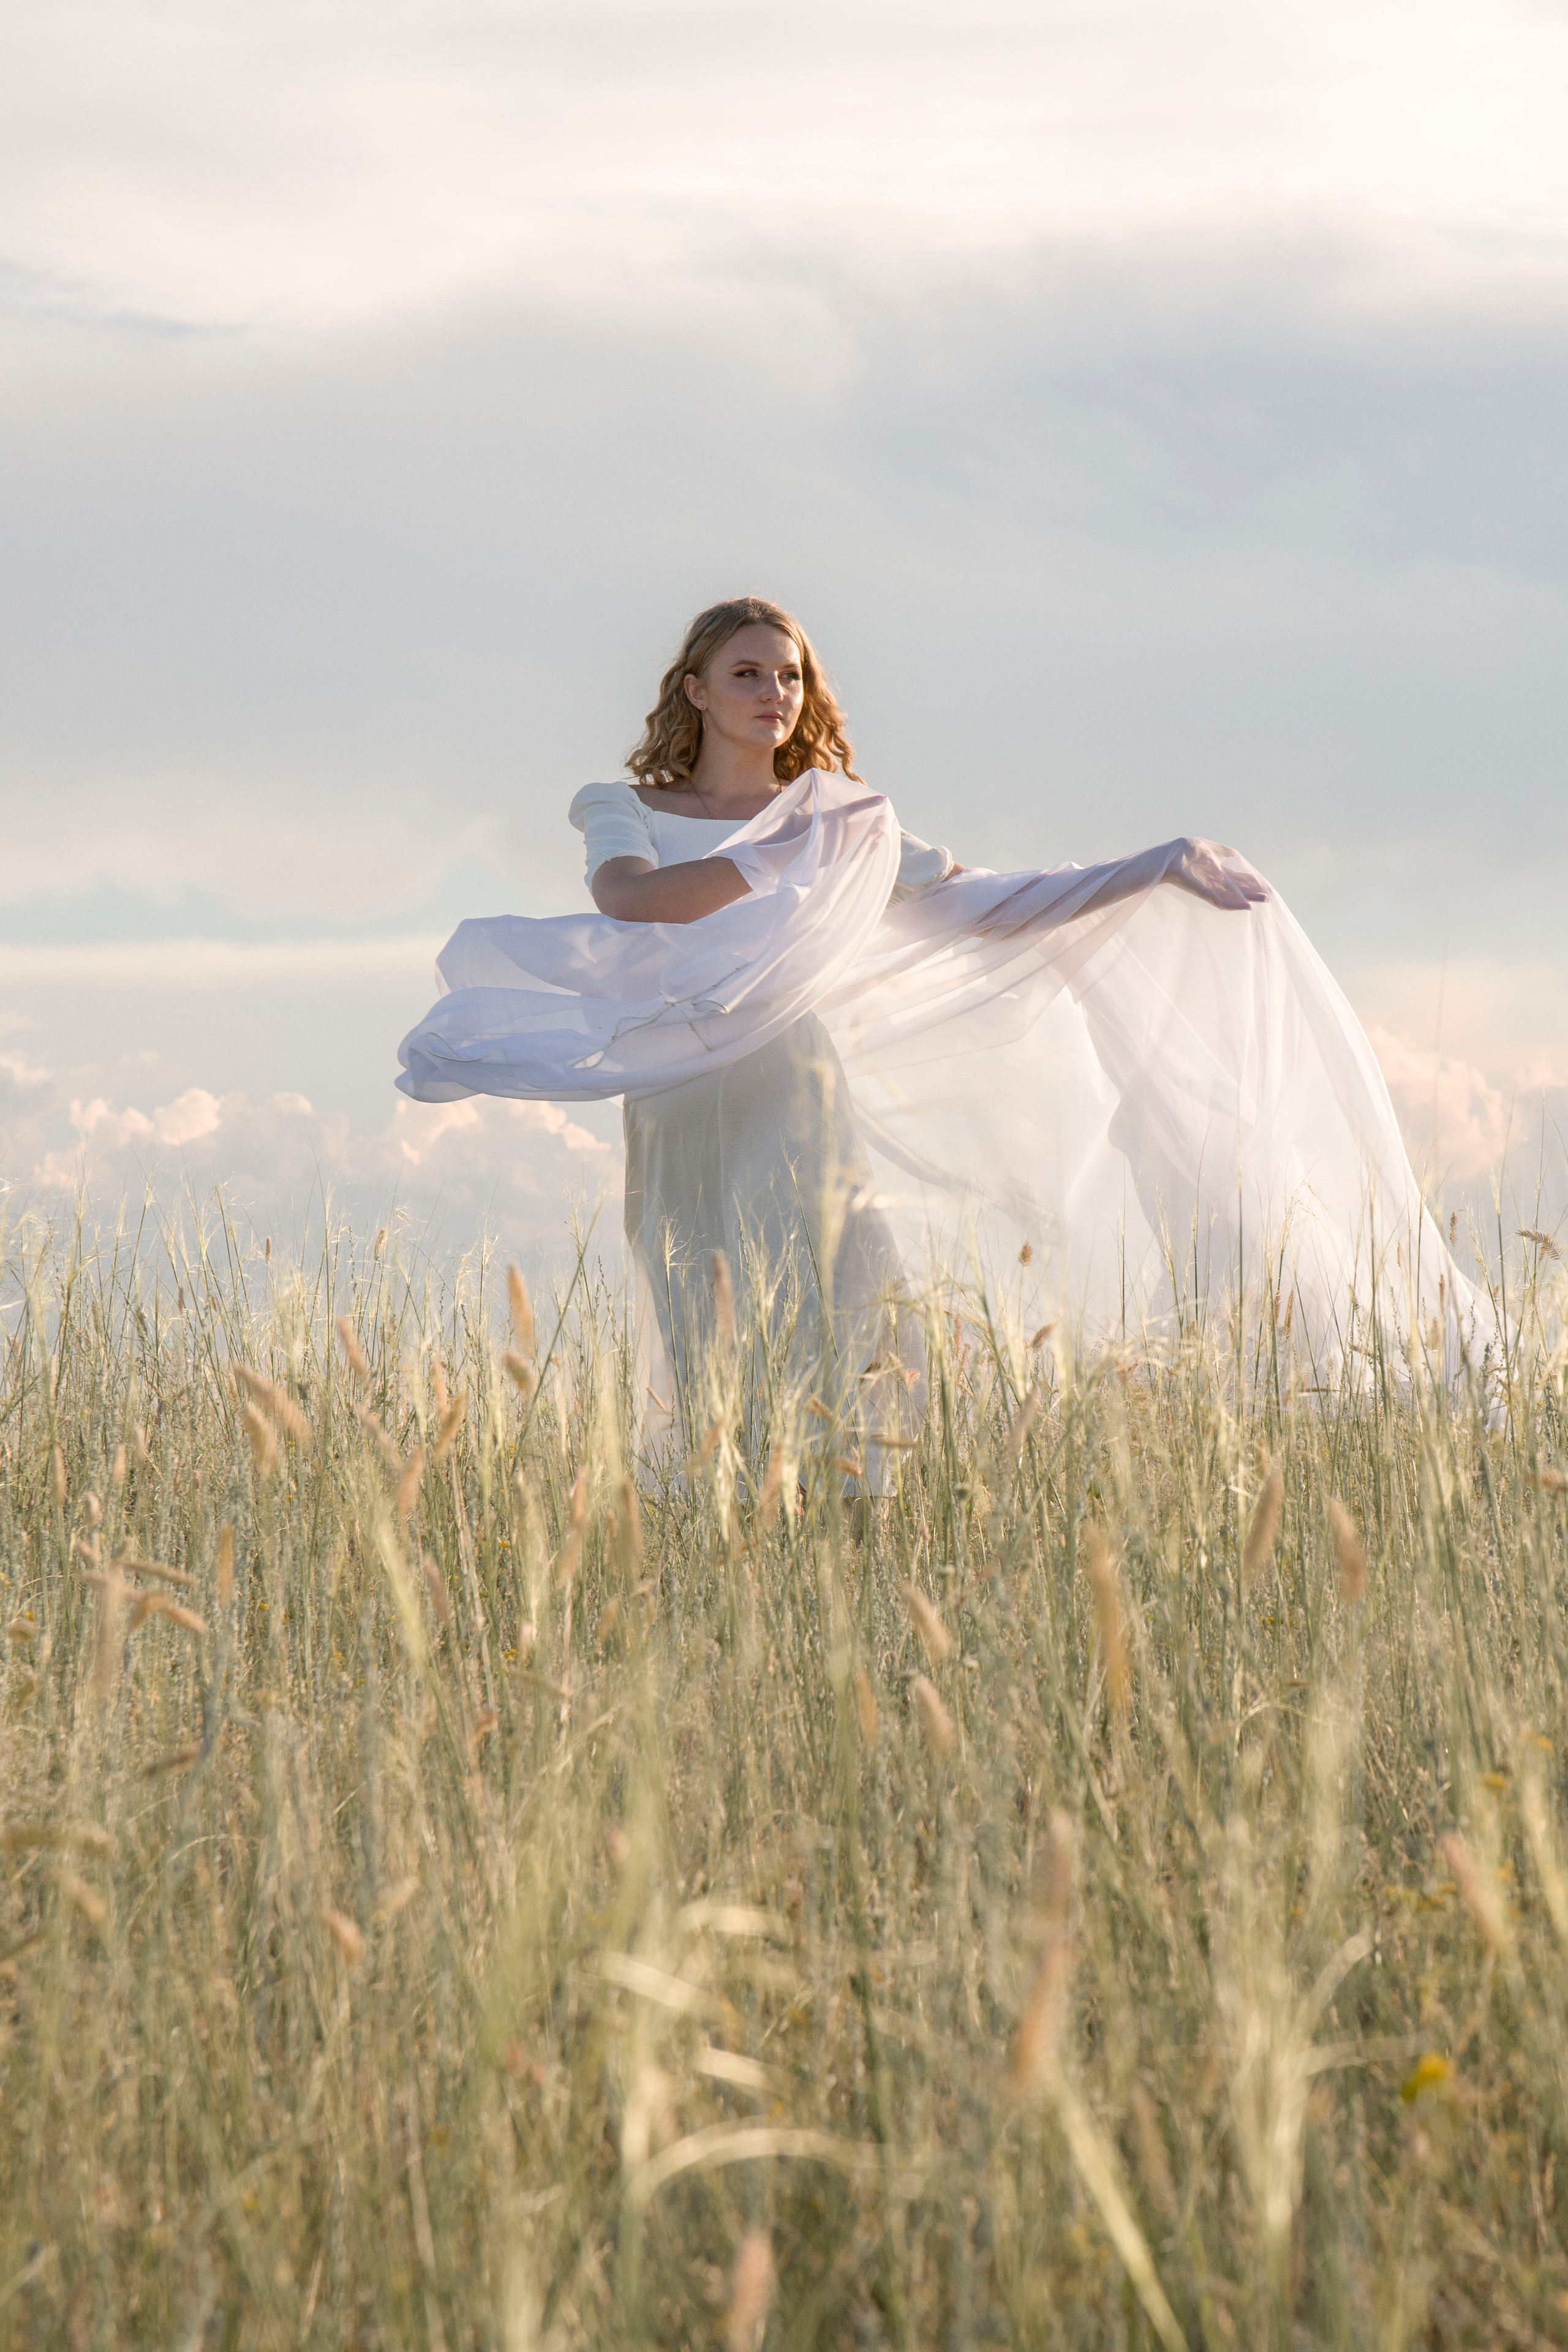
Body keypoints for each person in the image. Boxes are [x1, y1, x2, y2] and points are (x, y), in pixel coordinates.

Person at [398, 595, 1487, 1468]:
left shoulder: (842, 816)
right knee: (699, 1306)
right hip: (682, 1088)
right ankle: (716, 1520)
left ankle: (864, 1511)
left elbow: (980, 900)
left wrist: (1148, 867)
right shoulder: (626, 804)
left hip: (793, 1085)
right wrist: (787, 866)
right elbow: (629, 901)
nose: (774, 691)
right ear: (695, 689)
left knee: (851, 1294)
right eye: (747, 672)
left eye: (791, 675)